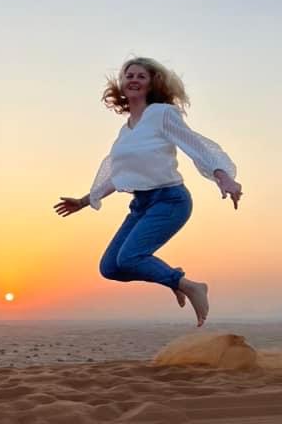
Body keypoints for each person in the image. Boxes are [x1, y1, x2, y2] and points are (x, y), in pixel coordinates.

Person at [54, 57, 241, 326]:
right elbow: (118, 174)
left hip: (170, 200)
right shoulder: (126, 131)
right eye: (129, 75)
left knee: (130, 257)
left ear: (152, 84)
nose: (133, 79)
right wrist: (84, 201)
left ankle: (190, 286)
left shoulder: (161, 114)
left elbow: (195, 146)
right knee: (110, 267)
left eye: (141, 76)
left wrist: (223, 178)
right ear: (121, 84)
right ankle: (173, 280)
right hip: (141, 205)